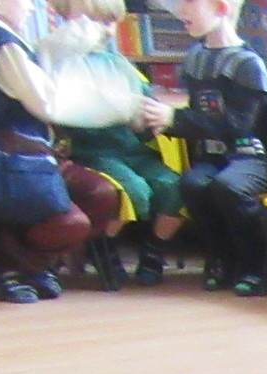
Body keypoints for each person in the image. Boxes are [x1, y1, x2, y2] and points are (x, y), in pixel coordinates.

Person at [0, 0, 124, 302]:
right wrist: (109, 102)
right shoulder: (1, 44)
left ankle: (33, 266)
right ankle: (10, 266)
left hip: (34, 156)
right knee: (72, 222)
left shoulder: (2, 38)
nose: (32, 8)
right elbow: (47, 103)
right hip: (5, 162)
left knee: (101, 194)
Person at [139, 0, 267, 296]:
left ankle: (259, 270)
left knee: (230, 186)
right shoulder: (196, 58)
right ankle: (222, 262)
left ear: (221, 8)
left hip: (250, 155)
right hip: (212, 155)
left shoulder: (248, 65)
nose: (182, 11)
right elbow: (198, 115)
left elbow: (238, 125)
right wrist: (163, 121)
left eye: (190, 2)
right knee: (194, 184)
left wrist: (175, 118)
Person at [44, 0, 184, 285]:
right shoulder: (63, 61)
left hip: (131, 149)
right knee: (135, 191)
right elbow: (60, 108)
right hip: (93, 152)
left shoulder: (117, 63)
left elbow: (144, 103)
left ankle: (154, 249)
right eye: (97, 21)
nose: (106, 30)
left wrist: (151, 119)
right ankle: (103, 245)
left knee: (174, 186)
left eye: (110, 23)